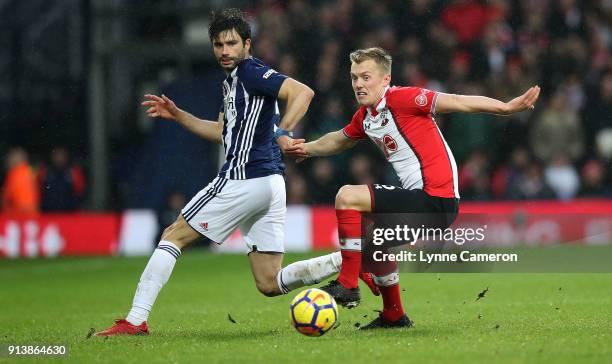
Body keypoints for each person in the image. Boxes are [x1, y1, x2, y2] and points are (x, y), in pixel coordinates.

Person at [96, 8, 344, 336]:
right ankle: (348, 260)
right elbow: (223, 132)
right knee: (269, 282)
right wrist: (179, 115)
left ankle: (135, 320)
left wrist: (282, 131)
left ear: (247, 44)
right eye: (218, 44)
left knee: (173, 235)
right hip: (271, 184)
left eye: (231, 43)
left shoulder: (250, 73)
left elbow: (302, 93)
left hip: (244, 179)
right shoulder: (233, 84)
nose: (225, 51)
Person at [287, 47, 540, 329]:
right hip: (421, 204)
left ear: (385, 79)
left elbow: (457, 101)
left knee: (347, 196)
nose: (358, 83)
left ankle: (348, 283)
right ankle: (394, 315)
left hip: (434, 198)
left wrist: (505, 108)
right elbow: (339, 139)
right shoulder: (366, 116)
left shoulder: (403, 98)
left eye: (366, 77)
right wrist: (305, 149)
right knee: (369, 243)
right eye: (354, 77)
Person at [1, 147, 39, 216]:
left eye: (11, 157)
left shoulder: (16, 174)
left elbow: (7, 197)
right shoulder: (28, 172)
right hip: (30, 214)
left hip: (19, 214)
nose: (8, 160)